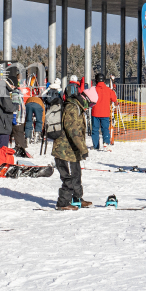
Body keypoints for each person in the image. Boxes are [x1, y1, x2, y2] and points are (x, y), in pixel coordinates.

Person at [52, 83, 90, 211]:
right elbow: (73, 130)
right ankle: (62, 203)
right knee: (67, 177)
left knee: (76, 174)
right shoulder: (71, 108)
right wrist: (83, 149)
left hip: (72, 149)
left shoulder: (77, 107)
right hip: (63, 150)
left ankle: (77, 197)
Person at [90, 74, 118, 151]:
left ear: (96, 80)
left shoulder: (94, 89)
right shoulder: (108, 90)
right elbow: (114, 99)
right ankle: (106, 142)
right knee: (105, 129)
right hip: (105, 113)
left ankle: (96, 145)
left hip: (95, 112)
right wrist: (116, 102)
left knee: (95, 129)